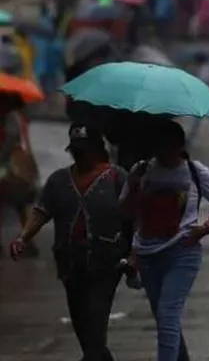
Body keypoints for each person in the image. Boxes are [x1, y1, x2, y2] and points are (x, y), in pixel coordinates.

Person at [9, 124, 129, 361]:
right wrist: (23, 237)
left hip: (105, 265)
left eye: (85, 150)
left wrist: (135, 254)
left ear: (97, 149)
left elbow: (134, 217)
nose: (80, 155)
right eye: (76, 150)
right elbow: (41, 212)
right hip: (70, 265)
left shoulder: (117, 178)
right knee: (84, 331)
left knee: (95, 331)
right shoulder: (59, 181)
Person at [123, 121, 209, 361]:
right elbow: (127, 212)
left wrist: (205, 228)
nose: (162, 152)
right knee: (163, 317)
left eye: (168, 146)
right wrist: (132, 186)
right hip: (148, 255)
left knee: (167, 314)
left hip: (182, 253)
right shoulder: (141, 170)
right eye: (158, 146)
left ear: (179, 146)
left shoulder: (195, 171)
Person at [0, 94, 38, 256]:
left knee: (12, 202)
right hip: (18, 167)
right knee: (20, 204)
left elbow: (10, 140)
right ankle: (27, 242)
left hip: (10, 167)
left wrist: (1, 157)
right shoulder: (19, 116)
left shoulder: (11, 117)